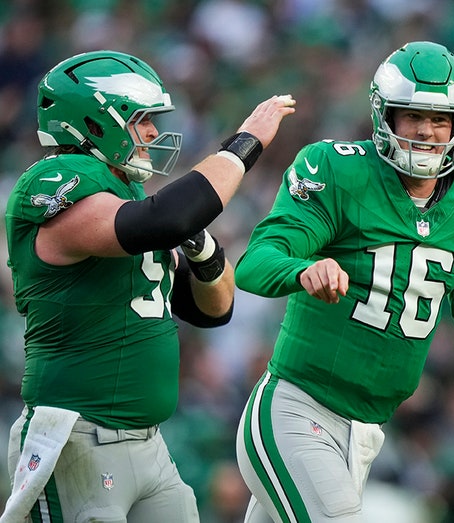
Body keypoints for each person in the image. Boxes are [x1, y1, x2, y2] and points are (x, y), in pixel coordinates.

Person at [2, 49, 295, 522]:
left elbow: (213, 310)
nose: (154, 133)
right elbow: (166, 218)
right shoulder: (56, 180)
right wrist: (242, 147)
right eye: (141, 120)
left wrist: (205, 252)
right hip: (78, 435)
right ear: (96, 122)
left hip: (149, 444)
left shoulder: (128, 195)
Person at [234, 41, 454, 522]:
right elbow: (256, 262)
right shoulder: (338, 169)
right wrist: (303, 269)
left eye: (441, 119)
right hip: (298, 408)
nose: (427, 131)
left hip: (365, 432)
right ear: (384, 116)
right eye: (412, 116)